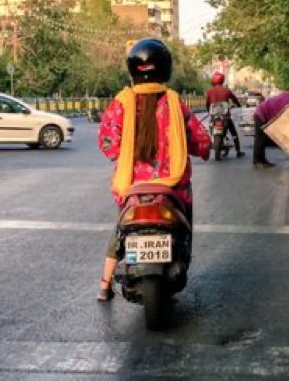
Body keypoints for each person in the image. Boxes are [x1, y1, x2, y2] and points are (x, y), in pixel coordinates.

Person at [96, 37, 211, 301]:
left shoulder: (121, 103)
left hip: (131, 185)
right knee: (183, 225)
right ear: (165, 68)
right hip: (172, 186)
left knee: (123, 228)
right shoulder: (174, 102)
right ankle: (180, 258)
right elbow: (198, 138)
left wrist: (123, 156)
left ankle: (104, 285)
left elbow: (107, 143)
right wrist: (205, 149)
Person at [252, 90, 289, 168]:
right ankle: (257, 161)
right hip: (261, 113)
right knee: (259, 139)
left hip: (263, 112)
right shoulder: (288, 102)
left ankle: (263, 160)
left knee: (262, 139)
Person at [205, 72, 245, 158]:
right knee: (234, 133)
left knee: (211, 128)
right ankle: (238, 151)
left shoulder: (210, 91)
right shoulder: (227, 91)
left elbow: (207, 103)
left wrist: (208, 111)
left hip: (214, 117)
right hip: (225, 116)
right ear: (222, 80)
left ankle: (214, 141)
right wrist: (238, 105)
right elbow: (235, 100)